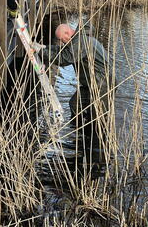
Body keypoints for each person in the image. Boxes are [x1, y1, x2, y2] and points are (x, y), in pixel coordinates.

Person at [37, 23, 110, 160]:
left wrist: (41, 52)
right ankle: (79, 134)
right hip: (89, 84)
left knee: (98, 118)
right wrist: (44, 48)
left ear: (67, 33)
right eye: (60, 40)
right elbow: (62, 51)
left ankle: (98, 149)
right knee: (75, 104)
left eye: (62, 38)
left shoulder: (82, 41)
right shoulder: (76, 41)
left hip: (102, 84)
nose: (62, 41)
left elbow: (65, 58)